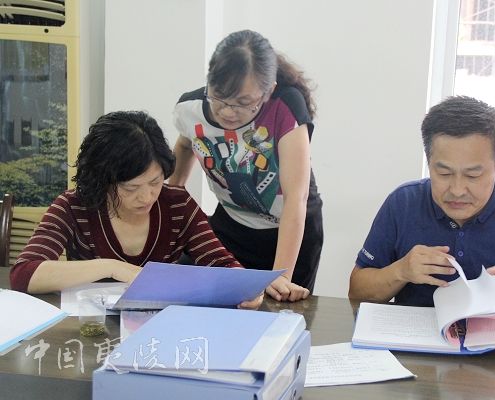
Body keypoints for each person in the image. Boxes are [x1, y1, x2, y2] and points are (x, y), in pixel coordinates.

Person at [10, 110, 262, 309]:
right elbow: (24, 274)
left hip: (159, 329)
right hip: (89, 331)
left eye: (155, 182)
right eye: (131, 188)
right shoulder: (73, 206)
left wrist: (246, 287)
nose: (147, 196)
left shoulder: (177, 204)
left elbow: (220, 262)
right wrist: (113, 267)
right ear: (102, 180)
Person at [348, 96, 495, 307]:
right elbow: (356, 292)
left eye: (472, 175)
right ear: (429, 162)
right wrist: (401, 271)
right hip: (414, 337)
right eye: (444, 173)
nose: (457, 191)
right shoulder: (403, 203)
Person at [171, 30, 323, 302]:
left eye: (243, 103)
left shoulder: (285, 107)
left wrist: (281, 276)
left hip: (287, 233)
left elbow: (296, 199)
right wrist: (173, 196)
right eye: (219, 98)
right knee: (208, 301)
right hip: (233, 224)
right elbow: (185, 146)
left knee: (278, 310)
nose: (228, 112)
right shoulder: (189, 108)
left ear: (268, 91)